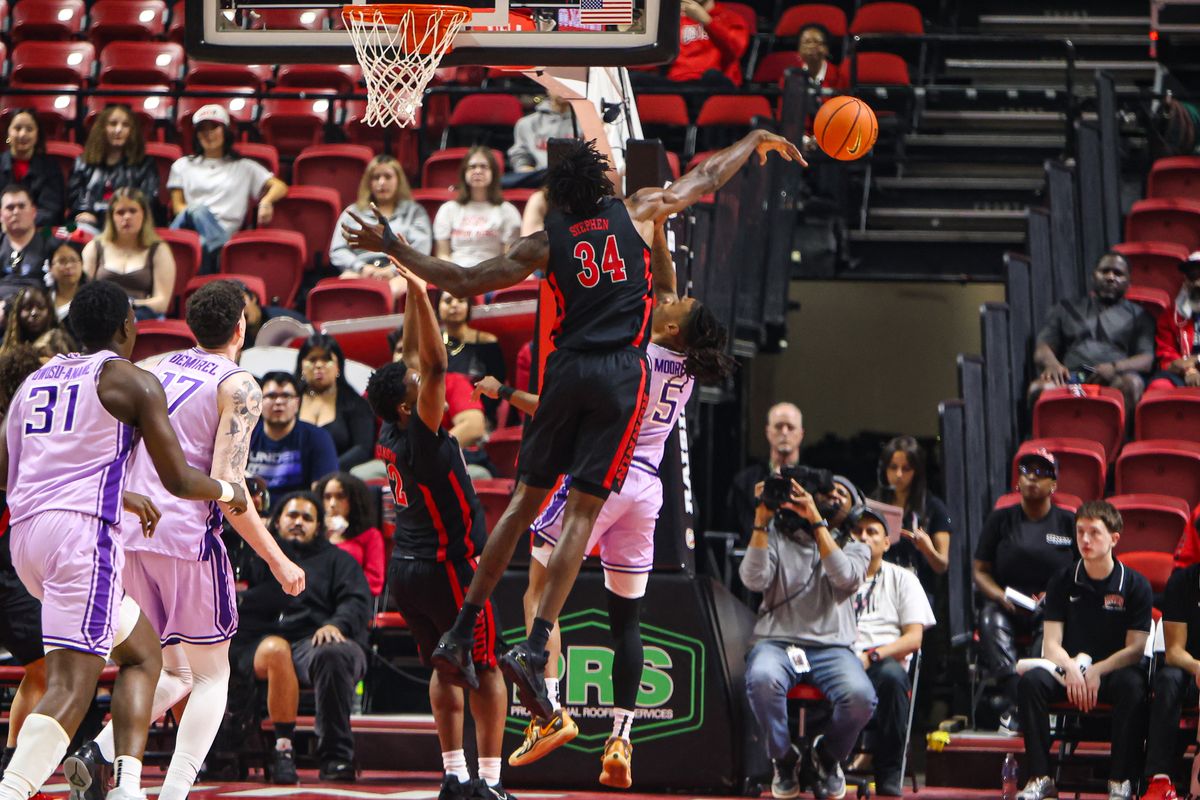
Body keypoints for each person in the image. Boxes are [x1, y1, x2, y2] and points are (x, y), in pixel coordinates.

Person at [342, 130, 803, 721]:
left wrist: (395, 247)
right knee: (581, 515)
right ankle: (535, 648)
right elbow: (707, 178)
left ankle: (459, 632)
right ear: (602, 183)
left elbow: (461, 281)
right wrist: (755, 139)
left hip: (565, 371)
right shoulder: (638, 212)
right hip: (618, 376)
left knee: (519, 507)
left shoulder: (545, 239)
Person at [479, 224, 735, 786]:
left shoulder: (633, 352)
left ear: (668, 324)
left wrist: (500, 393)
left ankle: (548, 709)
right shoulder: (687, 364)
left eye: (676, 302)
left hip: (605, 476)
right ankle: (621, 737)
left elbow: (551, 404)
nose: (672, 295)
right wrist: (662, 228)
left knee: (538, 592)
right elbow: (667, 286)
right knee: (628, 622)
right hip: (649, 493)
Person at [0, 280, 248, 800]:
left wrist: (117, 497)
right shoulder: (131, 381)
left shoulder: (34, 381)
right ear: (125, 326)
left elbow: (8, 473)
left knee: (143, 653)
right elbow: (181, 481)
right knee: (71, 685)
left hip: (26, 539)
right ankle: (13, 789)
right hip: (78, 541)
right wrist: (231, 488)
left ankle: (128, 786)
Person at [64, 279, 306, 800]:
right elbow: (229, 489)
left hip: (130, 533)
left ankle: (99, 752)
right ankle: (173, 793)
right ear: (242, 326)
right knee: (211, 677)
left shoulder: (151, 367)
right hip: (185, 539)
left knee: (168, 671)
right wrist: (280, 559)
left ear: (193, 327)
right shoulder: (239, 385)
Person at [367, 265, 513, 800]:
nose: (424, 383)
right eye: (418, 390)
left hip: (407, 571)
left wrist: (410, 290)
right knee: (487, 666)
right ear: (411, 407)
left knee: (444, 665)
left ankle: (453, 775)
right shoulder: (423, 439)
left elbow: (412, 362)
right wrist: (425, 291)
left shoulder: (388, 422)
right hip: (449, 568)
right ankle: (490, 782)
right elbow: (432, 363)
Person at [741, 477, 875, 800]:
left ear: (855, 509)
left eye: (841, 495)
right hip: (776, 642)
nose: (832, 498)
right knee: (761, 679)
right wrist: (761, 523)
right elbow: (752, 579)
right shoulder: (775, 536)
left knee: (861, 697)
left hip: (832, 647)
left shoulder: (857, 547)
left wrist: (818, 523)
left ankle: (827, 758)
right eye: (826, 493)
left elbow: (844, 578)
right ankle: (784, 758)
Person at [1014, 500, 1152, 800]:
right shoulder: (1062, 580)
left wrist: (1097, 671)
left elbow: (1135, 649)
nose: (1085, 540)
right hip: (1071, 672)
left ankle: (1120, 781)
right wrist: (1073, 670)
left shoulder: (1136, 584)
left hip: (1112, 672)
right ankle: (1041, 776)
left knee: (1134, 684)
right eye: (1080, 532)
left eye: (1094, 533)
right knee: (1031, 684)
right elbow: (1051, 644)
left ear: (1114, 538)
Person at [240, 492, 370, 783]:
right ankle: (223, 753)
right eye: (292, 516)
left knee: (334, 653)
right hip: (262, 641)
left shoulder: (339, 561)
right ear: (275, 522)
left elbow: (357, 602)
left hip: (314, 642)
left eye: (307, 518)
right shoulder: (255, 555)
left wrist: (336, 624)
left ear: (319, 527)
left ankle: (336, 757)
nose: (298, 522)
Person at [973, 449, 1078, 733]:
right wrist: (998, 595)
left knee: (1052, 625)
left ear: (1054, 484)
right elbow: (980, 570)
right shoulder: (1001, 519)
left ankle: (1023, 705)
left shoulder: (1068, 522)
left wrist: (1057, 594)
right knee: (988, 618)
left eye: (1041, 472)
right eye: (1026, 471)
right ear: (1018, 480)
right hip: (1008, 603)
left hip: (1052, 606)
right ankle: (1018, 694)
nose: (1032, 477)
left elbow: (1082, 572)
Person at [847, 505, 935, 798]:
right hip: (839, 659)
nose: (863, 538)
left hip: (881, 661)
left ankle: (887, 773)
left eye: (872, 532)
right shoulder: (835, 577)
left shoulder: (904, 579)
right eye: (857, 532)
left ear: (887, 542)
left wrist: (872, 655)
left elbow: (913, 639)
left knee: (894, 679)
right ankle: (818, 762)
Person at [0, 345, 47, 784]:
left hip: (13, 568)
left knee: (42, 668)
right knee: (44, 669)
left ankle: (13, 768)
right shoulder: (17, 431)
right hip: (9, 568)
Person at [168, 105, 287, 274]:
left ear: (225, 131)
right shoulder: (182, 165)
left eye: (214, 128)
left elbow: (279, 186)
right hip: (188, 227)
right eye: (203, 130)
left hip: (225, 229)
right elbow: (178, 206)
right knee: (197, 210)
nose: (208, 134)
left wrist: (266, 201)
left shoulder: (244, 167)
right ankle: (219, 247)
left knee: (201, 243)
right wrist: (199, 216)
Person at [1028, 252, 1154, 411]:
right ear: (1093, 276)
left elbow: (1146, 359)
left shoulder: (1140, 316)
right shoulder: (1065, 308)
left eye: (1118, 273)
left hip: (1114, 380)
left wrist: (1115, 368)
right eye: (1105, 271)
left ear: (1129, 282)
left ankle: (1124, 437)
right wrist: (1053, 365)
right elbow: (1042, 348)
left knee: (1132, 384)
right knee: (1039, 389)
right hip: (1073, 379)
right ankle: (1041, 436)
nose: (1110, 277)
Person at [1139, 559, 1200, 799]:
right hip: (1186, 665)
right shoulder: (1182, 582)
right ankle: (1158, 779)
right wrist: (1197, 667)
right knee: (1167, 680)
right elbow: (1174, 651)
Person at [330, 154, 431, 297]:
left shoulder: (415, 212)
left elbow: (421, 249)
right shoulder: (352, 212)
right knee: (344, 288)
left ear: (399, 181)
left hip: (401, 272)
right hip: (359, 270)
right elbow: (338, 250)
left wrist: (393, 270)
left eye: (388, 177)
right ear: (369, 183)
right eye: (376, 177)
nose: (382, 182)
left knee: (395, 290)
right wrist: (362, 268)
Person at [871, 436, 952, 594]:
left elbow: (942, 565)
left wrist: (928, 550)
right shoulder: (875, 503)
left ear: (917, 471)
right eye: (893, 467)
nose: (899, 474)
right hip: (879, 587)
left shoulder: (933, 507)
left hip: (918, 589)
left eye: (906, 468)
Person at [82, 187, 176, 322]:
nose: (126, 217)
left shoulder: (159, 250)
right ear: (111, 217)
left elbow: (162, 303)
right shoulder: (94, 247)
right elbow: (84, 295)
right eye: (120, 212)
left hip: (143, 317)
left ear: (143, 214)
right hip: (101, 319)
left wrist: (128, 305)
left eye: (133, 211)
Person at [247, 371, 339, 501]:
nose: (278, 402)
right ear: (259, 402)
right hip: (250, 512)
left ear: (297, 403)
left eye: (286, 396)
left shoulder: (318, 437)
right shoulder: (245, 434)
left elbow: (323, 491)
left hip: (297, 515)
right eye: (271, 396)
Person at [68, 105, 159, 233]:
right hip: (89, 224)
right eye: (112, 124)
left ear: (132, 131)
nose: (118, 130)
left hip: (128, 226)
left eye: (125, 125)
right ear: (102, 128)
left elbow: (146, 203)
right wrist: (86, 214)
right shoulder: (83, 162)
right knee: (65, 232)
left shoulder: (144, 164)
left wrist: (105, 218)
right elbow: (77, 202)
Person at [295, 334, 375, 471]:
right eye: (312, 359)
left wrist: (328, 468)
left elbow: (363, 448)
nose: (319, 365)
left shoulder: (355, 403)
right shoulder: (288, 400)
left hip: (339, 478)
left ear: (338, 367)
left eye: (326, 359)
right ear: (301, 366)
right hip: (293, 475)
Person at [432, 147, 522, 267]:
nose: (478, 171)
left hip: (493, 274)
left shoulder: (508, 211)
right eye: (472, 167)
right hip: (455, 275)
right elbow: (443, 255)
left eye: (484, 167)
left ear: (493, 174)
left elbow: (508, 258)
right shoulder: (448, 210)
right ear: (464, 173)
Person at [729, 402, 804, 538]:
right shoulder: (745, 481)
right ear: (768, 432)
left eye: (791, 427)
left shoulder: (812, 482)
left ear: (801, 434)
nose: (784, 432)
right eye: (778, 426)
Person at [439, 292, 507, 425]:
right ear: (437, 308)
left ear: (469, 306)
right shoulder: (432, 344)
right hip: (442, 417)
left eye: (461, 301)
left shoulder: (487, 342)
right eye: (447, 301)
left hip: (479, 415)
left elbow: (497, 384)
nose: (454, 305)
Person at [315, 471, 385, 596]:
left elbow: (375, 582)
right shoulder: (314, 533)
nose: (332, 504)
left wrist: (336, 587)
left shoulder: (371, 535)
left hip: (351, 600)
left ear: (354, 499)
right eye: (327, 497)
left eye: (340, 496)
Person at [0, 110, 65, 227]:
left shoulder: (50, 167)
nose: (23, 134)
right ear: (8, 132)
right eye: (17, 128)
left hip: (41, 230)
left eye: (29, 129)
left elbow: (51, 210)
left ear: (37, 135)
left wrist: (22, 224)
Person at [668, 0, 750, 89]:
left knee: (712, 76)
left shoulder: (729, 17)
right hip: (678, 85)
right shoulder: (671, 19)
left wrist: (707, 21)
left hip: (715, 86)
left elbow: (737, 50)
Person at [1148, 250, 1200, 390]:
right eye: (1192, 277)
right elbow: (1167, 353)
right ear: (1185, 282)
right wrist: (1189, 370)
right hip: (1182, 373)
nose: (1197, 284)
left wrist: (1197, 359)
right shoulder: (1170, 316)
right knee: (1158, 386)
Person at [505, 96, 576, 189]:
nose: (563, 90)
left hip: (576, 180)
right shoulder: (527, 123)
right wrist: (524, 167)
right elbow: (520, 155)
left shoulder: (588, 122)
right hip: (540, 180)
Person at [0, 185, 58, 290]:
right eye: (10, 208)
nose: (16, 212)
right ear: (1, 215)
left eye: (21, 206)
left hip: (39, 303)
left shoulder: (52, 245)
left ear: (34, 212)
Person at [0, 286, 57, 356]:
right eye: (27, 308)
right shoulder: (8, 345)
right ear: (17, 312)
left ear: (50, 312)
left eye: (40, 307)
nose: (34, 313)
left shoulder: (58, 341)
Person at [48, 242, 86, 322]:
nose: (68, 266)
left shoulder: (90, 300)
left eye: (73, 260)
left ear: (82, 264)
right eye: (62, 261)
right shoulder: (44, 298)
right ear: (50, 267)